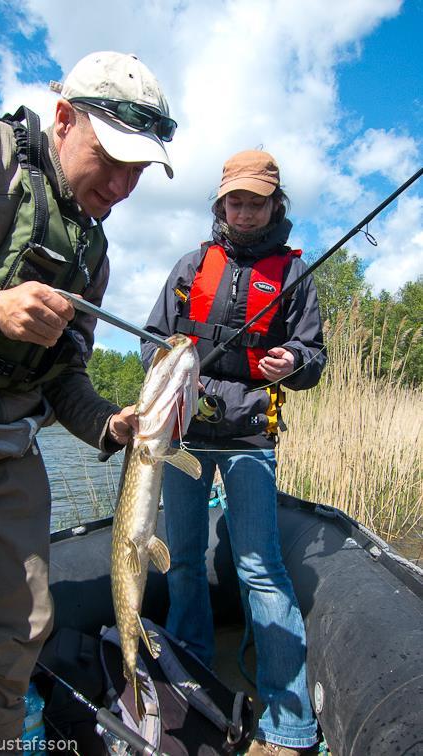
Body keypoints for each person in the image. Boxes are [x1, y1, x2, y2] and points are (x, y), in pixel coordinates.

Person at [0, 51, 176, 753]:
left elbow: (64, 378)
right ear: (62, 118)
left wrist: (110, 424)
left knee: (15, 643)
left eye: (138, 171)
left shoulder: (96, 252)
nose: (121, 184)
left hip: (9, 454)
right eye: (110, 158)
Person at [141, 150, 326, 755]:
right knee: (185, 558)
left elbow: (313, 359)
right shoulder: (191, 265)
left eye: (256, 201)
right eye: (234, 201)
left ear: (276, 205)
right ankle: (188, 681)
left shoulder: (295, 276)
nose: (244, 212)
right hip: (184, 437)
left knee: (260, 566)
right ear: (221, 204)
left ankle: (290, 723)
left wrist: (291, 363)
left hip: (251, 438)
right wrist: (169, 373)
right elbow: (151, 342)